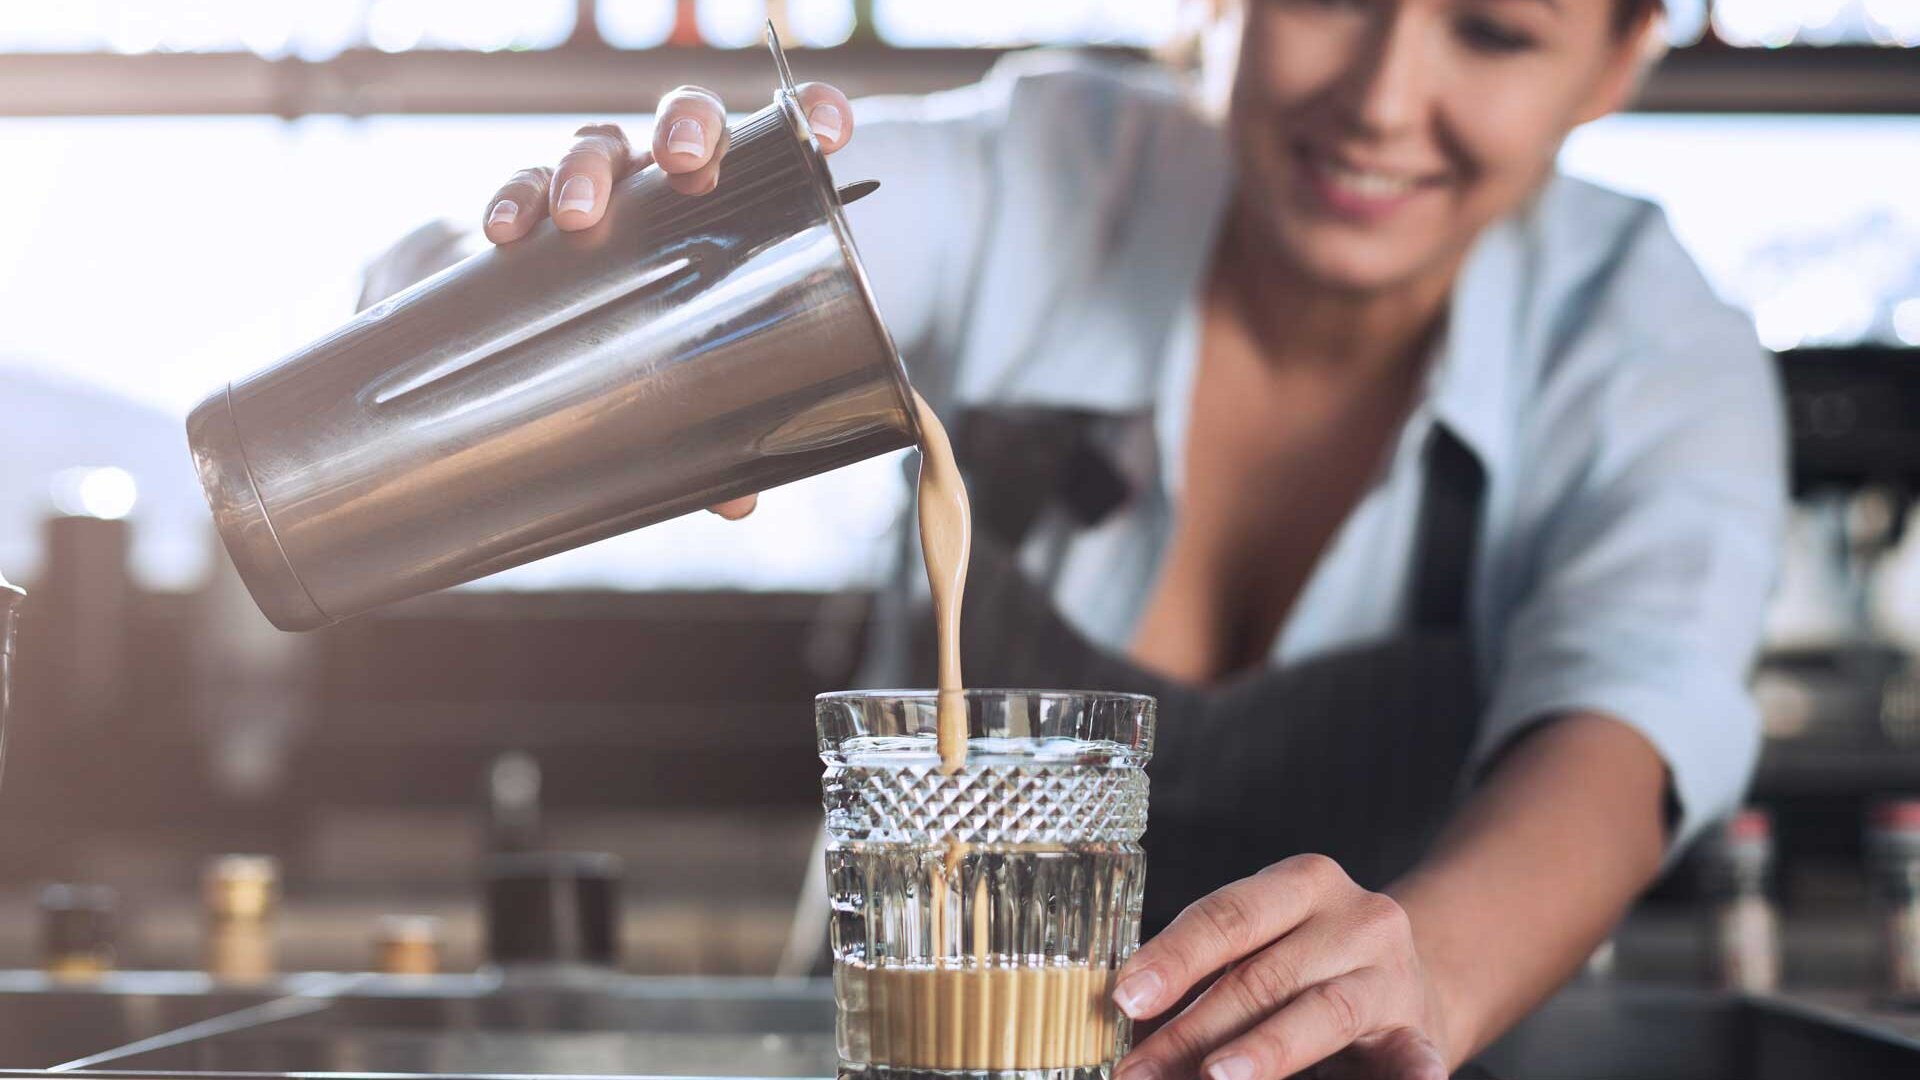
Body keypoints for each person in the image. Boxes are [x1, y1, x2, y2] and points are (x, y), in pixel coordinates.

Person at [398, 0, 1786, 1075]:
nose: (1382, 99)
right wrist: (601, 255)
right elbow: (776, 248)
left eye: (1492, 30)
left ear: (1615, 63)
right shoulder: (1049, 174)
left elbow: (1624, 729)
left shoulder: (1651, 349)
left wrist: (1427, 966)